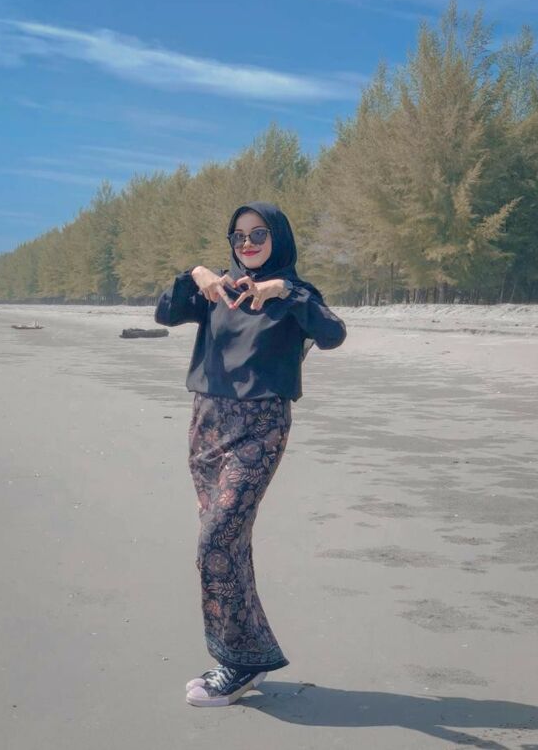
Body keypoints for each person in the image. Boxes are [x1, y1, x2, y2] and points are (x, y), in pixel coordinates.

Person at [154, 201, 346, 707]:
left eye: (258, 233)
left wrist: (284, 291)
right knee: (228, 541)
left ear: (278, 237)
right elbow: (164, 313)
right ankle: (251, 655)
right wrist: (195, 275)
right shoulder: (218, 291)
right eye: (238, 236)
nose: (248, 243)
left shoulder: (293, 295)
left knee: (216, 541)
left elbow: (332, 334)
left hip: (260, 429)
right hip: (207, 426)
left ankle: (236, 663)